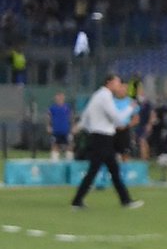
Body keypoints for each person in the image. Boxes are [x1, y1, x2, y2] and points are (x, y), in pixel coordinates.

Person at [70, 74, 141, 210]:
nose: (119, 85)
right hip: (103, 137)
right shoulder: (105, 96)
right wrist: (130, 108)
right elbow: (117, 118)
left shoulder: (97, 95)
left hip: (101, 136)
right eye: (117, 82)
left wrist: (79, 127)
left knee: (113, 170)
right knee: (95, 170)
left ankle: (125, 200)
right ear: (109, 82)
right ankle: (77, 201)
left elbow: (86, 115)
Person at [47, 92, 72, 159]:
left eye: (61, 97)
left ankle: (69, 162)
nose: (59, 99)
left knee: (69, 146)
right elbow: (49, 117)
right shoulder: (52, 108)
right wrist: (48, 126)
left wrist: (72, 127)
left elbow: (70, 117)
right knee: (54, 146)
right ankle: (54, 162)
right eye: (58, 97)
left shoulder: (67, 107)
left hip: (65, 130)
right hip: (55, 131)